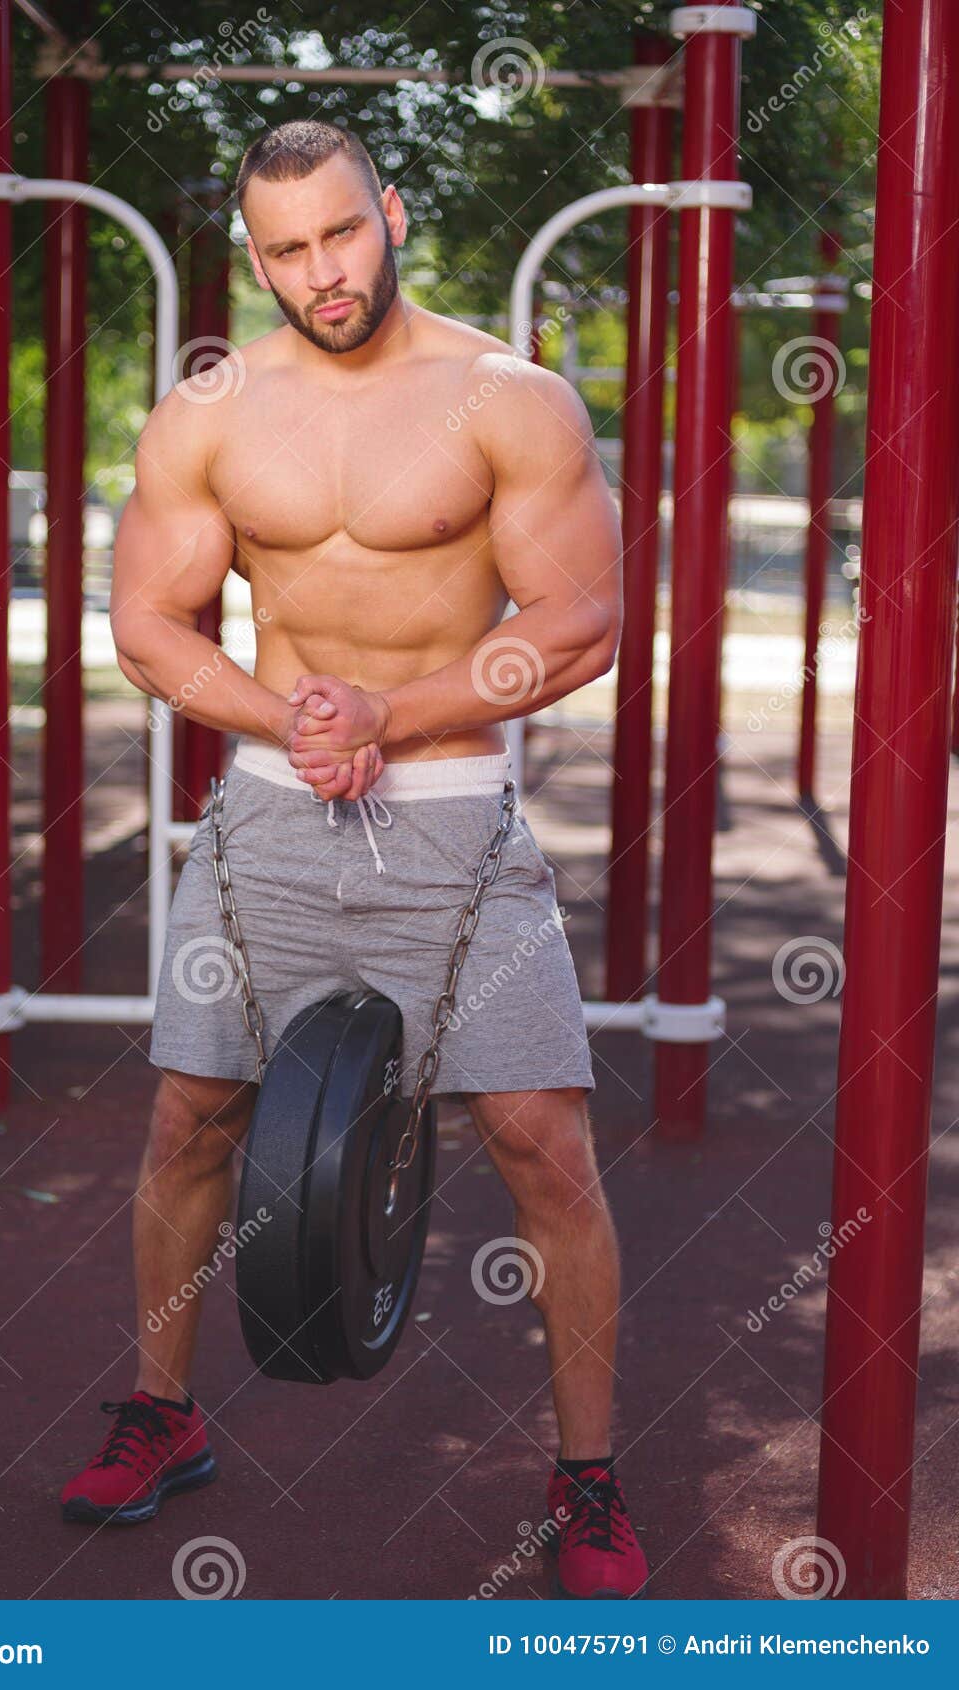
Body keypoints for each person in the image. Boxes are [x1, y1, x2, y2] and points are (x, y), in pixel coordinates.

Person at [60, 119, 647, 1601]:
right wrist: (293, 715)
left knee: (543, 1144)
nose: (321, 272)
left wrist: (396, 711)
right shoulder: (210, 411)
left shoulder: (504, 397)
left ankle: (588, 1483)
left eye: (341, 233)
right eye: (285, 250)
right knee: (191, 1118)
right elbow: (147, 621)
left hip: (452, 811)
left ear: (391, 212)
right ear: (251, 257)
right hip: (266, 810)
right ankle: (163, 1411)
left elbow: (578, 617)